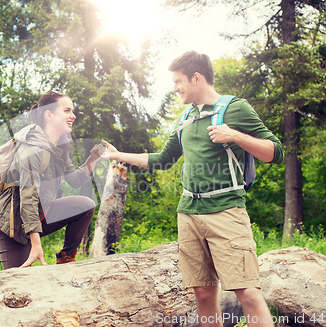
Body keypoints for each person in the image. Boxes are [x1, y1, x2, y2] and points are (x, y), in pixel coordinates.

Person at [102, 51, 284, 326]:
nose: (175, 88)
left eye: (178, 81)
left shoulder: (236, 108)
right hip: (188, 213)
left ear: (196, 78)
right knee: (202, 293)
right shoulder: (185, 116)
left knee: (247, 291)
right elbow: (164, 160)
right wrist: (120, 156)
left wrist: (233, 135)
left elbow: (276, 151)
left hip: (226, 212)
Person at [0, 90, 104, 269]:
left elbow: (74, 180)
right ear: (49, 114)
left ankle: (66, 258)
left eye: (72, 111)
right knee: (17, 286)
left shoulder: (59, 146)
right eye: (66, 111)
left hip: (40, 214)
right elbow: (28, 196)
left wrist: (93, 158)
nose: (73, 116)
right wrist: (36, 244)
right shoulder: (32, 149)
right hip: (12, 224)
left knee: (86, 205)